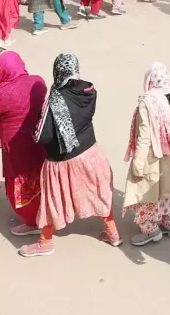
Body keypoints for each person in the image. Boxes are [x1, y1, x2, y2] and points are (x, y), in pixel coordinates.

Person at [21, 53, 122, 256]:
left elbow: (42, 135)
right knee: (99, 193)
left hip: (62, 160)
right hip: (91, 152)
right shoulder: (89, 91)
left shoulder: (55, 99)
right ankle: (113, 233)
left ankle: (45, 242)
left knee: (53, 201)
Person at [0, 51, 47, 235]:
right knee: (38, 177)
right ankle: (43, 213)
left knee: (20, 181)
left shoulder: (3, 93)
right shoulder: (38, 82)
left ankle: (32, 222)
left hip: (16, 146)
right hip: (39, 140)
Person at [122, 62, 170, 246]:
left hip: (154, 154)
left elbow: (144, 136)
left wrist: (137, 163)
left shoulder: (147, 102)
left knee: (144, 193)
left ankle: (150, 230)